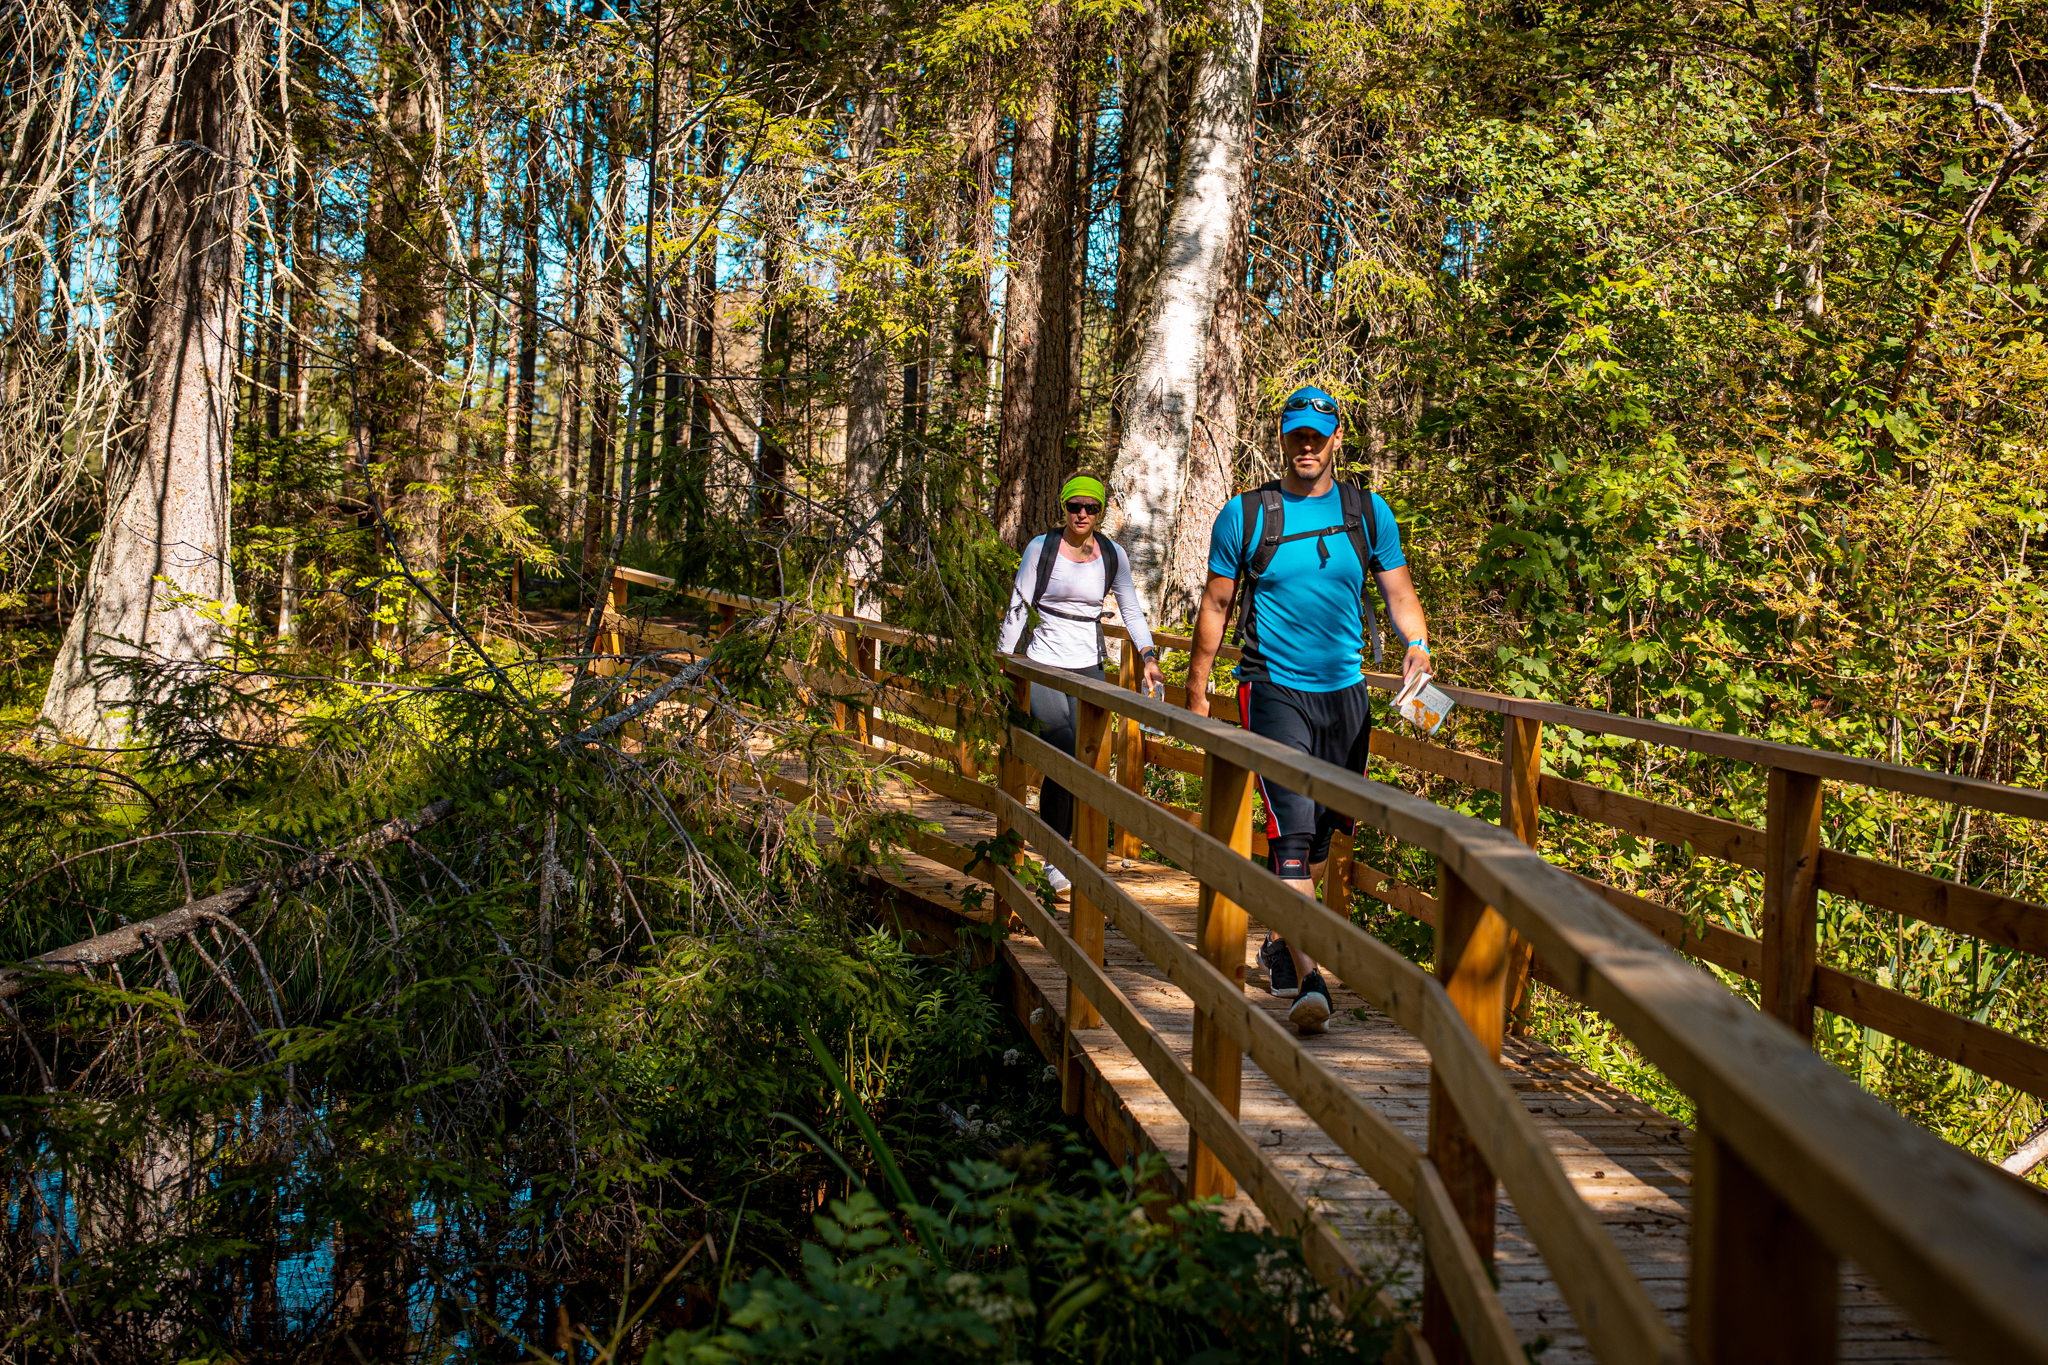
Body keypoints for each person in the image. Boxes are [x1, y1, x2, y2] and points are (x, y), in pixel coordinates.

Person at [1183, 386, 1433, 1033]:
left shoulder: (1367, 513)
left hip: (1344, 697)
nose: (1306, 447)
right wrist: (1196, 688)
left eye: (1317, 436)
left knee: (1321, 840)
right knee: (1289, 836)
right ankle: (1311, 979)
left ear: (1336, 439)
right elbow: (1215, 605)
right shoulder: (1245, 515)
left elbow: (1400, 591)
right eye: (1296, 434)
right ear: (1282, 436)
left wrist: (1419, 645)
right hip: (1271, 691)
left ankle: (1278, 942)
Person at [998, 475, 1167, 898]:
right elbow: (1020, 603)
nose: (1083, 515)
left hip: (1089, 665)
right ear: (1064, 507)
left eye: (1092, 508)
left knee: (1085, 758)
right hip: (1042, 665)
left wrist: (1148, 657)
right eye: (1076, 506)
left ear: (1101, 512)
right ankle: (1056, 853)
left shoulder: (1112, 554)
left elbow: (1130, 608)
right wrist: (1002, 660)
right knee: (1063, 746)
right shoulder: (1042, 547)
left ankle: (1063, 851)